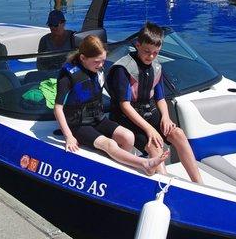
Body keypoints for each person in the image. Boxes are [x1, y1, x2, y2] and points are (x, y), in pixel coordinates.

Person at [53, 35, 168, 175]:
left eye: (103, 60)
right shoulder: (68, 76)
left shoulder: (98, 70)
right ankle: (145, 163)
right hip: (78, 124)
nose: (101, 65)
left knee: (128, 136)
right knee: (109, 144)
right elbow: (58, 108)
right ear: (83, 58)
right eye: (97, 61)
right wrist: (69, 136)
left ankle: (122, 169)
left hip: (97, 118)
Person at [107, 22, 203, 184]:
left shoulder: (156, 67)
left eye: (155, 53)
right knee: (155, 145)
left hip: (149, 113)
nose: (150, 56)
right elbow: (124, 105)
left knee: (178, 134)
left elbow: (159, 98)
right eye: (146, 52)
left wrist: (165, 117)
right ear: (137, 45)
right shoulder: (123, 69)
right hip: (127, 117)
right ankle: (164, 184)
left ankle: (199, 184)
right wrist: (150, 130)